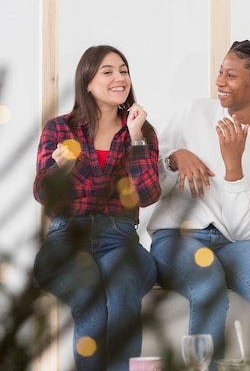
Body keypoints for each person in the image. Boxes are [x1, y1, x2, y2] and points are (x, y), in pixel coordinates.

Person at [147, 40, 250, 368]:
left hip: (235, 243)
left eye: (231, 75)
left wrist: (233, 167)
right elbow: (149, 187)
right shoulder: (194, 112)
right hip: (177, 237)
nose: (219, 81)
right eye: (220, 72)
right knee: (207, 287)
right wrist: (174, 159)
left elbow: (245, 229)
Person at [33, 45, 160, 371]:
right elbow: (43, 193)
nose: (120, 78)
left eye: (124, 70)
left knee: (121, 297)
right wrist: (58, 170)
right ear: (87, 82)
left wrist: (134, 138)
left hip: (119, 239)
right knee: (89, 298)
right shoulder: (59, 129)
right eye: (108, 71)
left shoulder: (141, 131)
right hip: (67, 238)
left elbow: (146, 193)